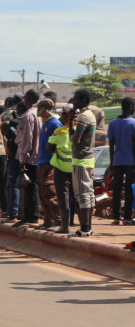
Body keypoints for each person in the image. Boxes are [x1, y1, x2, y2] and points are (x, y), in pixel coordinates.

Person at [70, 88, 97, 237]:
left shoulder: (82, 117)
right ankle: (88, 227)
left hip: (81, 159)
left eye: (76, 99)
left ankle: (85, 228)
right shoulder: (91, 115)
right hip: (89, 158)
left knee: (82, 194)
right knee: (89, 192)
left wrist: (70, 121)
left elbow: (74, 139)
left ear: (84, 101)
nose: (74, 102)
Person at [15, 90, 42, 226]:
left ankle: (31, 215)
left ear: (30, 99)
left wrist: (23, 159)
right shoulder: (39, 114)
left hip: (29, 157)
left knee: (29, 186)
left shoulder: (28, 116)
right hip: (37, 156)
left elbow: (27, 139)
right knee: (33, 186)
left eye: (25, 97)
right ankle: (32, 215)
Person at [107, 97, 135, 226]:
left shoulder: (113, 123)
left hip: (118, 160)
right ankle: (128, 217)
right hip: (131, 161)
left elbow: (111, 144)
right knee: (129, 189)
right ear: (130, 107)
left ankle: (116, 216)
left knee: (116, 189)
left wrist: (112, 161)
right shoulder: (133, 123)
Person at [35, 99, 61, 229]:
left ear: (44, 109)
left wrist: (53, 163)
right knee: (43, 194)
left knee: (50, 193)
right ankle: (47, 221)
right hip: (41, 162)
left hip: (49, 163)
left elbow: (60, 144)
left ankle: (58, 221)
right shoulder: (45, 124)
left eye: (38, 108)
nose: (37, 110)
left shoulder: (54, 124)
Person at [48, 105, 75, 234]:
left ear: (64, 116)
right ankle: (81, 224)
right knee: (77, 195)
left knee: (63, 195)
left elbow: (49, 148)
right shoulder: (79, 130)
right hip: (76, 166)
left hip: (60, 167)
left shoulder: (59, 131)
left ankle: (65, 226)